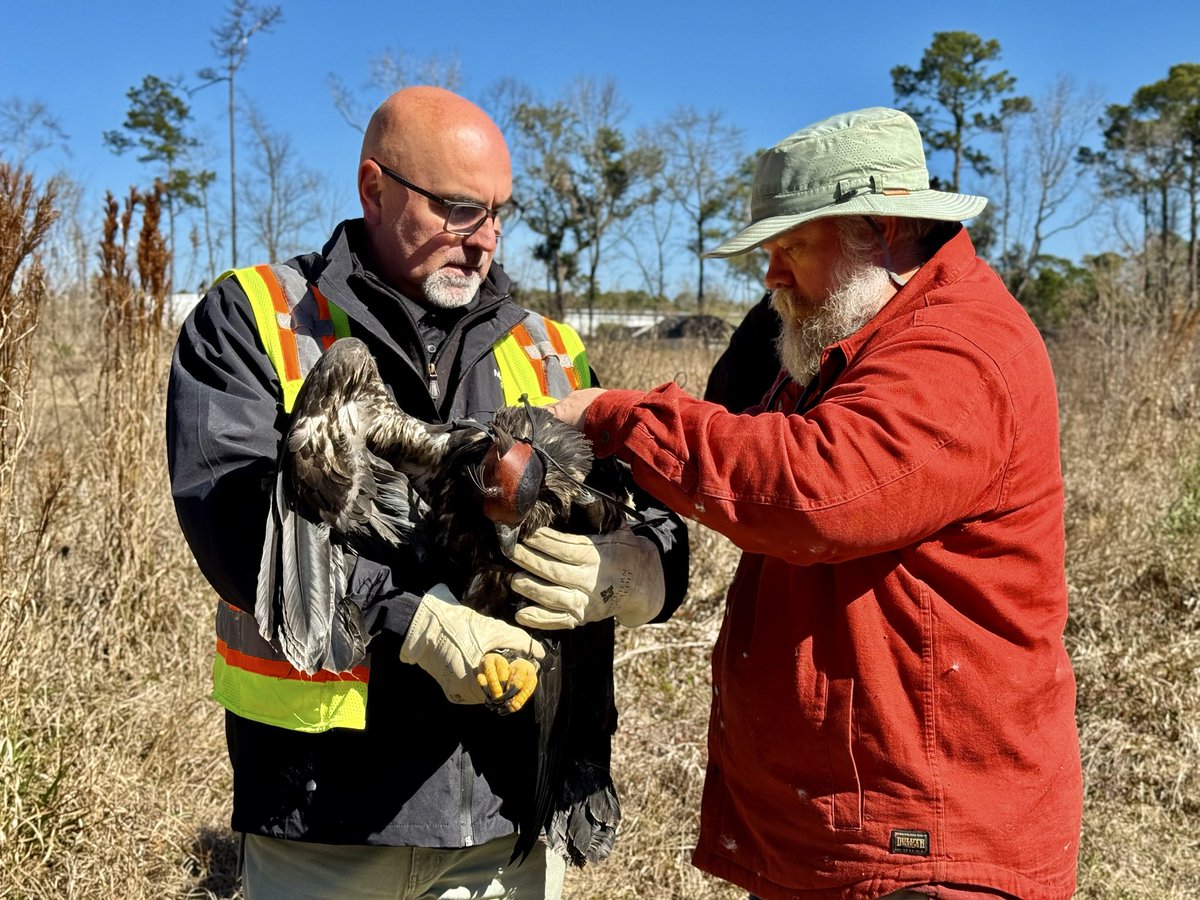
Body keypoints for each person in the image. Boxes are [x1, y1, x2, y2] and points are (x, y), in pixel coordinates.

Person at [511, 107, 1083, 899]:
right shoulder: (850, 340)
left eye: (793, 248)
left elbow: (813, 493)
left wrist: (616, 414)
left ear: (883, 228)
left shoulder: (955, 349)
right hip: (854, 830)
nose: (771, 275)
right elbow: (740, 450)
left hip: (928, 848)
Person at [166, 86, 687, 900]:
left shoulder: (551, 352)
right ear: (374, 187)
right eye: (457, 210)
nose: (485, 241)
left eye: (498, 213)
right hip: (326, 819)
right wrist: (412, 623)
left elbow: (655, 512)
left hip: (509, 816)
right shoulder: (259, 316)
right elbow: (235, 526)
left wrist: (636, 570)